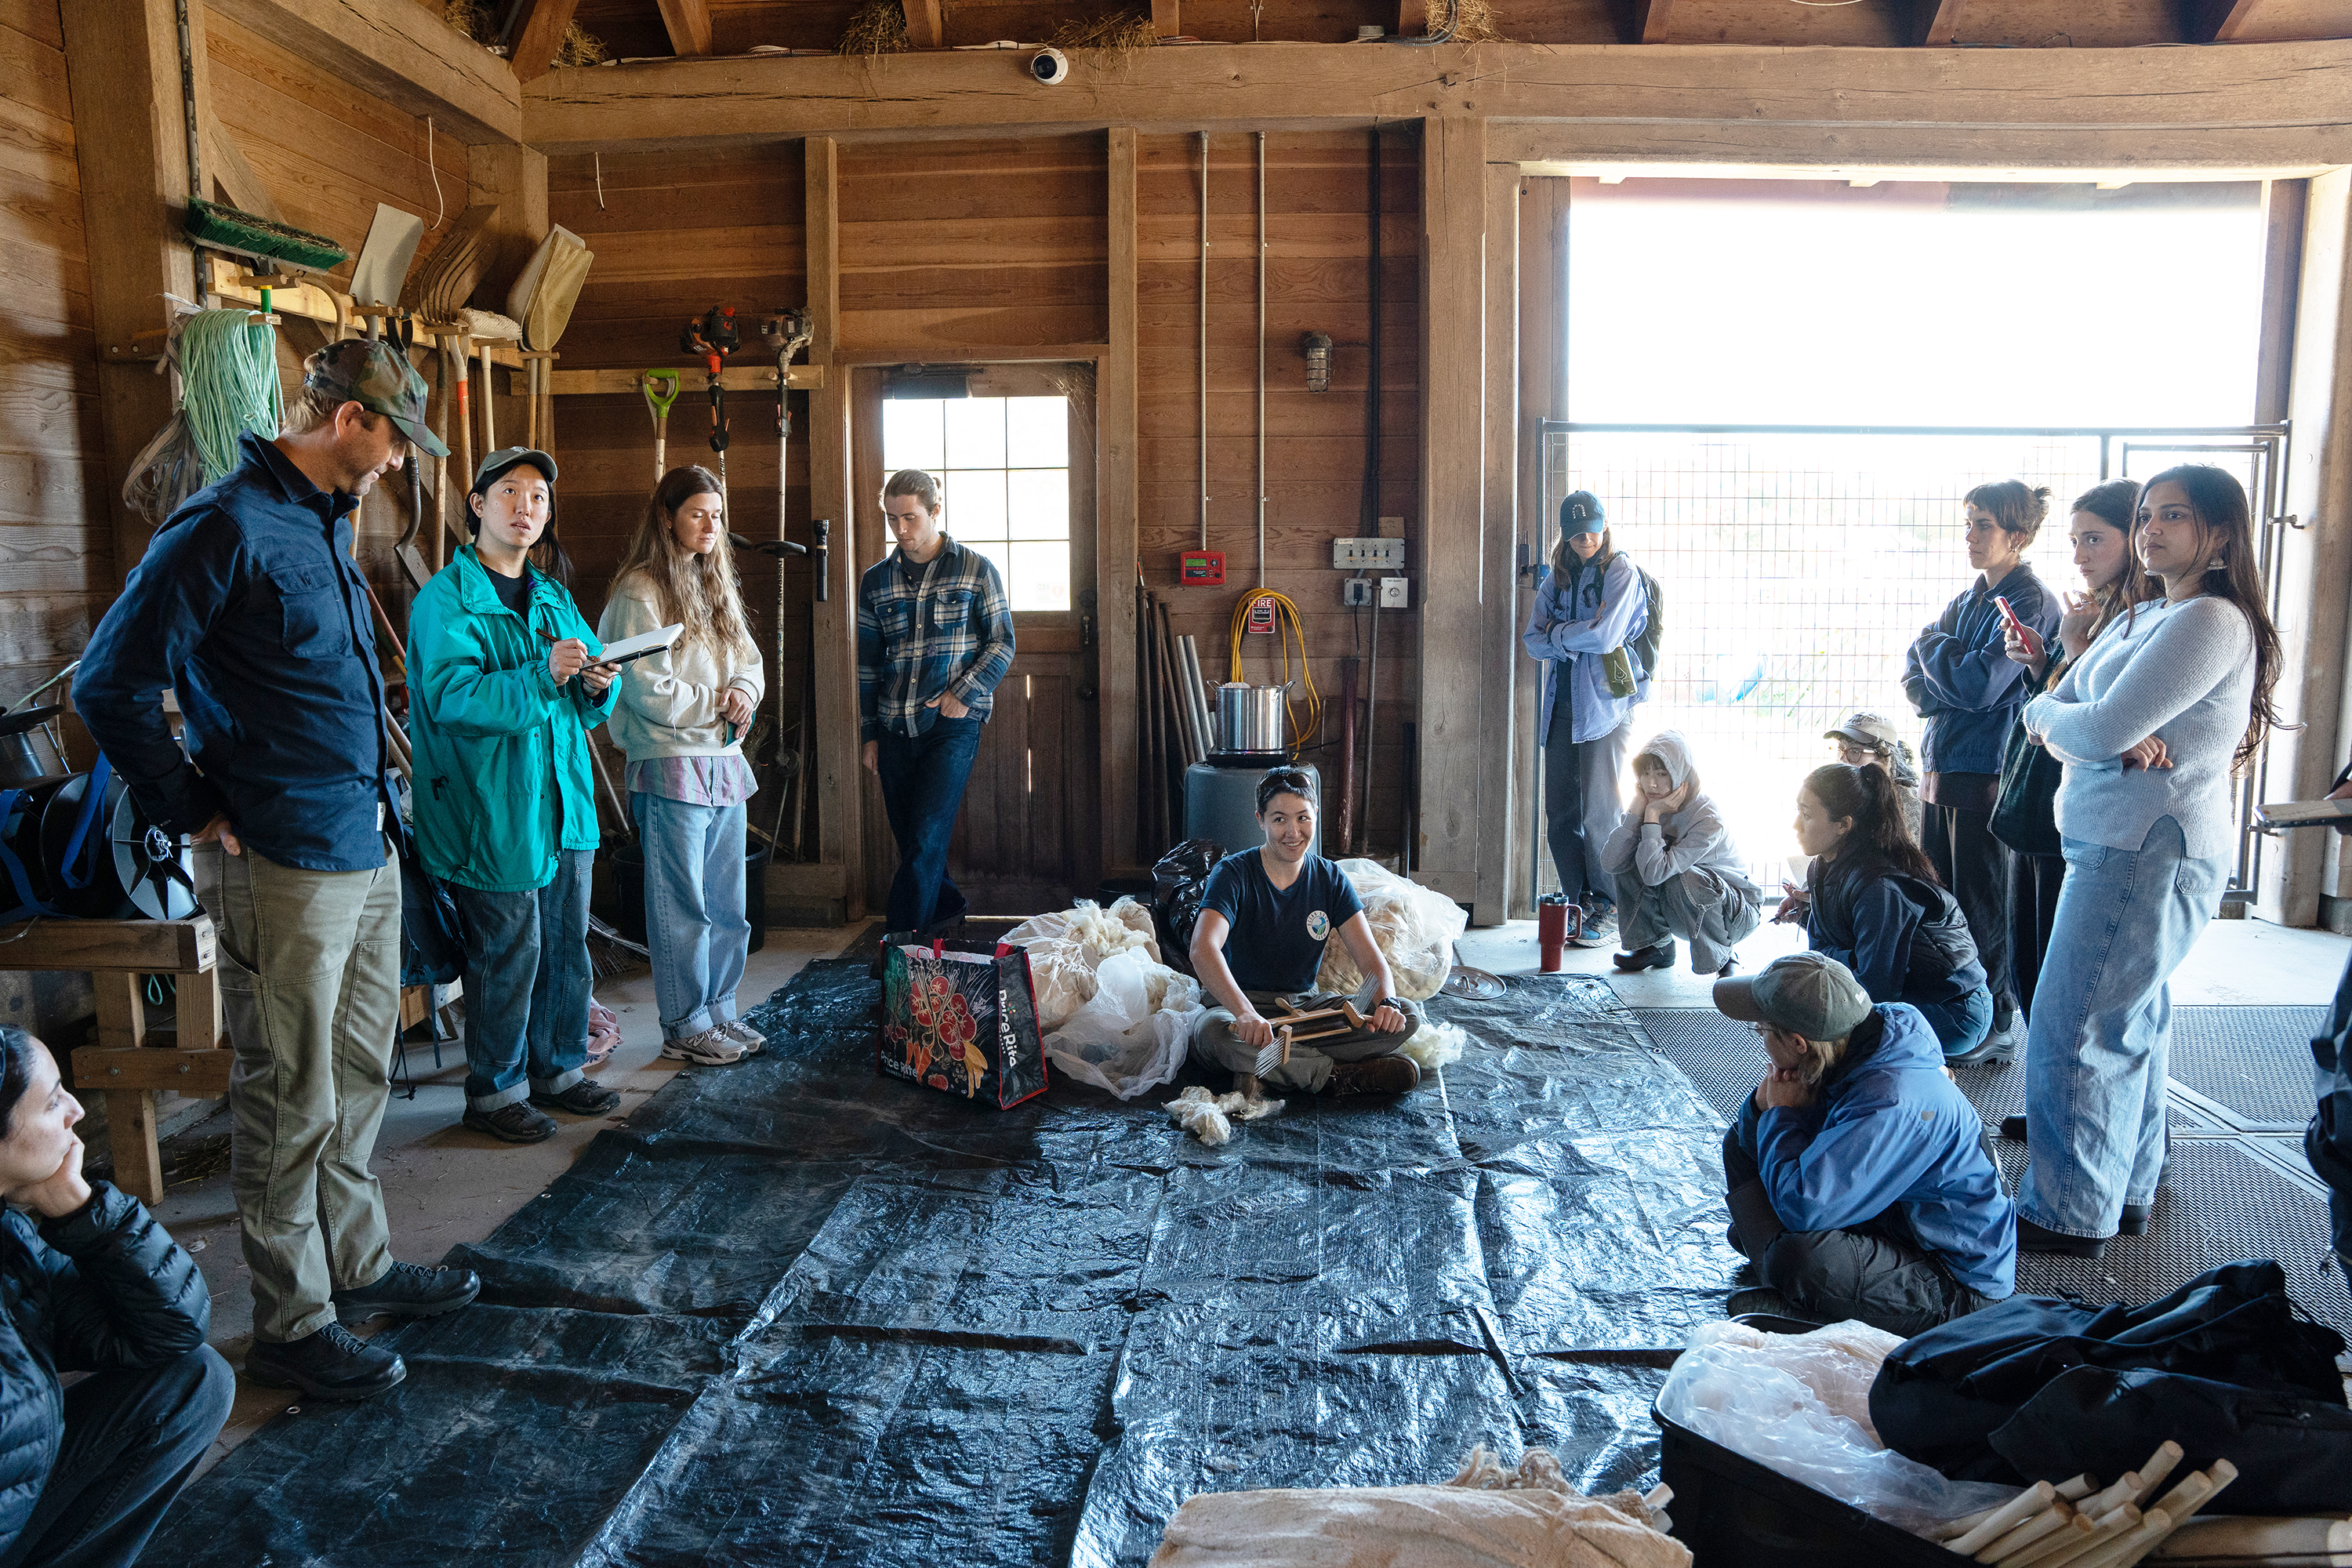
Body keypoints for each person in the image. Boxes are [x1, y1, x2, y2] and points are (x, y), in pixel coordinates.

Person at [74, 339, 478, 1403]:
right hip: (281, 859)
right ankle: (294, 1322)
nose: (400, 462)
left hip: (363, 840)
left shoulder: (323, 520)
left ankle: (362, 1265)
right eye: (395, 439)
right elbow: (111, 684)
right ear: (349, 421)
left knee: (358, 1078)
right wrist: (196, 806)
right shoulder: (222, 526)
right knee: (289, 1092)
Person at [2013, 465, 2281, 1257]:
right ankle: (2119, 1189)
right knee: (2126, 1020)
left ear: (2222, 533)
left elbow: (2095, 728)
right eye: (2145, 516)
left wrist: (2050, 714)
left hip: (2145, 846)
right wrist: (2071, 712)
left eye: (2173, 516)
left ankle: (2067, 1211)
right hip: (2116, 837)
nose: (2149, 530)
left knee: (2078, 1025)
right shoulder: (2151, 615)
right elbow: (2090, 718)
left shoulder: (2208, 622)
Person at [408, 447, 624, 1143]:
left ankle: (558, 1070)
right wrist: (542, 676)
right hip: (490, 807)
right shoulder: (446, 600)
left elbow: (585, 698)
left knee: (565, 946)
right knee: (507, 954)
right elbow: (454, 699)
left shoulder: (551, 595)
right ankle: (495, 1092)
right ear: (478, 505)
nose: (525, 507)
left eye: (537, 497)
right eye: (509, 492)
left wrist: (599, 684)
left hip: (562, 799)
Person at [0, 1029, 233, 1568]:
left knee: (193, 1383)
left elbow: (168, 1331)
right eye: (53, 1098)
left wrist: (78, 1207)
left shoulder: (10, 1237)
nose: (76, 1111)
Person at [1715, 952, 2016, 1337]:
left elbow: (1805, 1209)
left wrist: (1782, 1114)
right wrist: (1763, 1110)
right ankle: (1789, 1280)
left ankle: (1791, 1290)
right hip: (1892, 1221)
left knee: (1799, 1257)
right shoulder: (1864, 1033)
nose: (1757, 1038)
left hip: (1953, 1280)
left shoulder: (1893, 1101)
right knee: (1745, 1144)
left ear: (1797, 1042)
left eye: (1760, 1030)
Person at [598, 466, 768, 1068]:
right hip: (671, 762)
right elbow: (645, 688)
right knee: (683, 904)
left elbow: (749, 659)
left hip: (723, 761)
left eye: (717, 515)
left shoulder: (714, 582)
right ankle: (684, 1023)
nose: (709, 525)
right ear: (668, 517)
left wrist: (744, 693)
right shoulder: (640, 591)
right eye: (697, 513)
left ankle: (720, 1007)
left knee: (728, 903)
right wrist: (718, 709)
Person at [1901, 479, 2063, 1064]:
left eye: (1983, 525)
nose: (1969, 535)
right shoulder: (1971, 598)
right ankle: (1957, 1010)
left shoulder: (2030, 603)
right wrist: (1940, 657)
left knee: (1982, 907)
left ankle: (1995, 1021)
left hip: (1988, 776)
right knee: (1943, 901)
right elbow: (1917, 687)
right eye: (1967, 522)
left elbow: (1977, 685)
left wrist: (1930, 647)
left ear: (2018, 535)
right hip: (1943, 769)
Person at [1998, 479, 2157, 1025]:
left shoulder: (2154, 618)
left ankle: (2064, 1106)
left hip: (2088, 818)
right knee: (2032, 963)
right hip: (2044, 808)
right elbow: (2061, 706)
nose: (2079, 555)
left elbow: (2104, 722)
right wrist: (2044, 665)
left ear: (2134, 538)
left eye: (2094, 540)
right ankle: (2048, 1104)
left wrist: (2077, 652)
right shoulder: (2102, 607)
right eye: (2074, 541)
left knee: (2067, 980)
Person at [858, 469, 1016, 960]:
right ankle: (947, 908)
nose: (901, 529)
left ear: (935, 513)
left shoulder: (975, 570)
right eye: (892, 518)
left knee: (926, 838)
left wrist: (963, 693)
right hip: (893, 725)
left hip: (952, 727)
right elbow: (867, 664)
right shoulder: (876, 582)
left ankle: (902, 952)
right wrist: (869, 734)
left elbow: (1003, 643)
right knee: (914, 842)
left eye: (910, 518)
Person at [1189, 768, 1424, 1096]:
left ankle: (1270, 1069)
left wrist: (1388, 1004)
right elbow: (1203, 949)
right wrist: (1244, 1013)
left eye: (1303, 818)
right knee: (1212, 1035)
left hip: (1305, 1010)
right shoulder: (1233, 873)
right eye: (1279, 819)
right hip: (1237, 1009)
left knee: (1409, 1015)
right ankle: (1336, 1077)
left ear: (1316, 816)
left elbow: (1369, 957)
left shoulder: (1330, 878)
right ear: (1261, 820)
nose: (1293, 832)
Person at [1785, 763, 1994, 1059]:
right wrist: (1851, 958)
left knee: (1821, 1041)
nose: (1796, 824)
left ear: (1844, 824)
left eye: (1806, 815)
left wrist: (1842, 958)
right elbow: (1819, 954)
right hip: (1898, 992)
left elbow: (1876, 987)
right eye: (1798, 811)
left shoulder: (1880, 888)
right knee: (1789, 1007)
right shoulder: (1821, 866)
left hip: (1954, 1010)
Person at [1523, 492, 1650, 949]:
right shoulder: (1555, 578)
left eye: (1593, 528)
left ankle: (1608, 903)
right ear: (1565, 533)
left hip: (1606, 706)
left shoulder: (1621, 571)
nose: (1586, 538)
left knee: (1601, 812)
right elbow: (1530, 641)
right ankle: (1577, 902)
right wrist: (1569, 636)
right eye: (1576, 532)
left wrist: (1558, 636)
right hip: (1560, 706)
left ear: (1605, 524)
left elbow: (1608, 633)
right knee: (1560, 812)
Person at [1599, 731, 1760, 977]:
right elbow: (1611, 862)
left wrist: (1651, 816)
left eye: (1662, 774)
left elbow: (1656, 875)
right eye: (1645, 773)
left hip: (1734, 913)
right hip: (1684, 906)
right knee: (1633, 856)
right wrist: (1637, 814)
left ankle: (1724, 955)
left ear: (1681, 775)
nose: (1651, 783)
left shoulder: (1708, 818)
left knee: (1682, 875)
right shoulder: (1649, 803)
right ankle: (1656, 947)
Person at [1821, 710, 1922, 844]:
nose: (1842, 758)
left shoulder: (1906, 799)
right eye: (1840, 749)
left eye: (1855, 751)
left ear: (1884, 756)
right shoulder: (1845, 792)